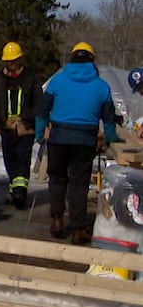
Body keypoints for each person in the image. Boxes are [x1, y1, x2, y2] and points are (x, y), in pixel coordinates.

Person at [35, 42, 118, 245]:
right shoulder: (102, 86)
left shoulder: (57, 81)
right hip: (84, 140)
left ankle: (56, 219)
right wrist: (109, 140)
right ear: (92, 61)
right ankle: (78, 229)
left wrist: (39, 134)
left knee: (57, 179)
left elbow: (42, 110)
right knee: (79, 184)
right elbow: (109, 119)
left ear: (71, 59)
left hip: (58, 137)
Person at [0, 42, 43, 210]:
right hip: (7, 127)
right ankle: (14, 190)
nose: (10, 65)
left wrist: (27, 118)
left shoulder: (31, 78)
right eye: (7, 62)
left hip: (25, 127)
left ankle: (20, 192)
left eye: (13, 61)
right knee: (9, 160)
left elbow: (38, 103)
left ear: (20, 60)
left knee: (22, 160)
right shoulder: (0, 78)